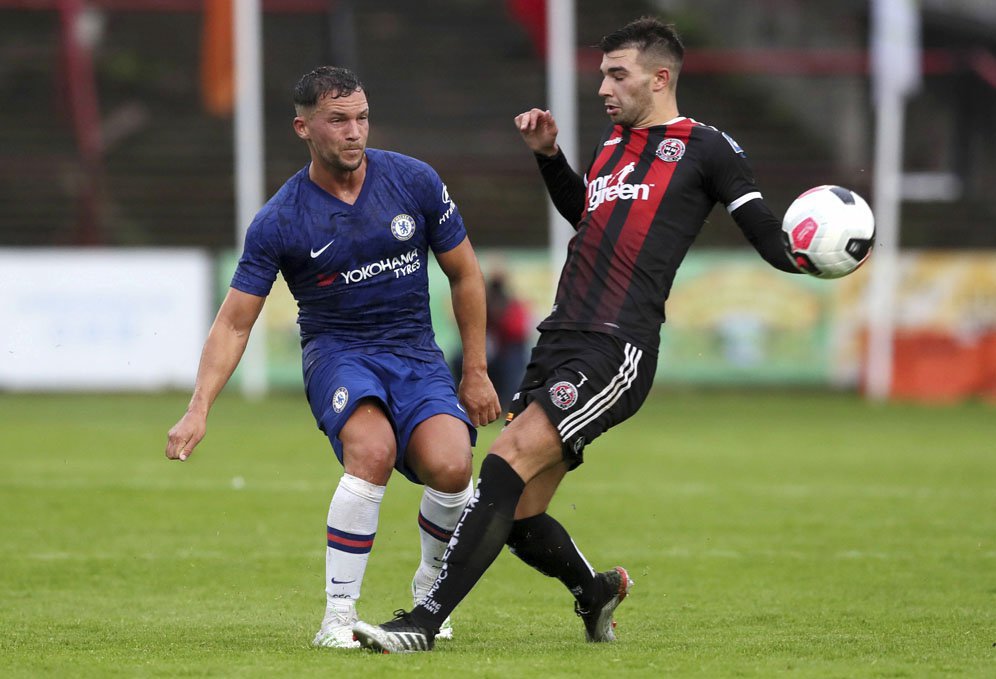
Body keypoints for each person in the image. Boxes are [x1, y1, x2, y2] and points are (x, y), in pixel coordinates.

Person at [351, 16, 803, 653]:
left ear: (661, 76)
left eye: (617, 75)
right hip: (561, 338)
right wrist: (550, 159)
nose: (603, 88)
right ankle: (596, 591)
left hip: (617, 346)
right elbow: (588, 216)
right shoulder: (613, 144)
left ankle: (422, 624)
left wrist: (812, 252)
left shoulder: (707, 148)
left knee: (502, 468)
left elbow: (765, 231)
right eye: (602, 75)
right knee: (518, 514)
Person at [164, 66, 502, 649]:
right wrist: (198, 408)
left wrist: (474, 370)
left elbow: (465, 274)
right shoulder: (281, 218)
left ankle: (429, 597)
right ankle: (337, 618)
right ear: (304, 127)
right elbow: (235, 322)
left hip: (415, 353)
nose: (355, 131)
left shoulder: (414, 181)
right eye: (338, 119)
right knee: (372, 450)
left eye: (362, 117)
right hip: (339, 354)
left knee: (452, 467)